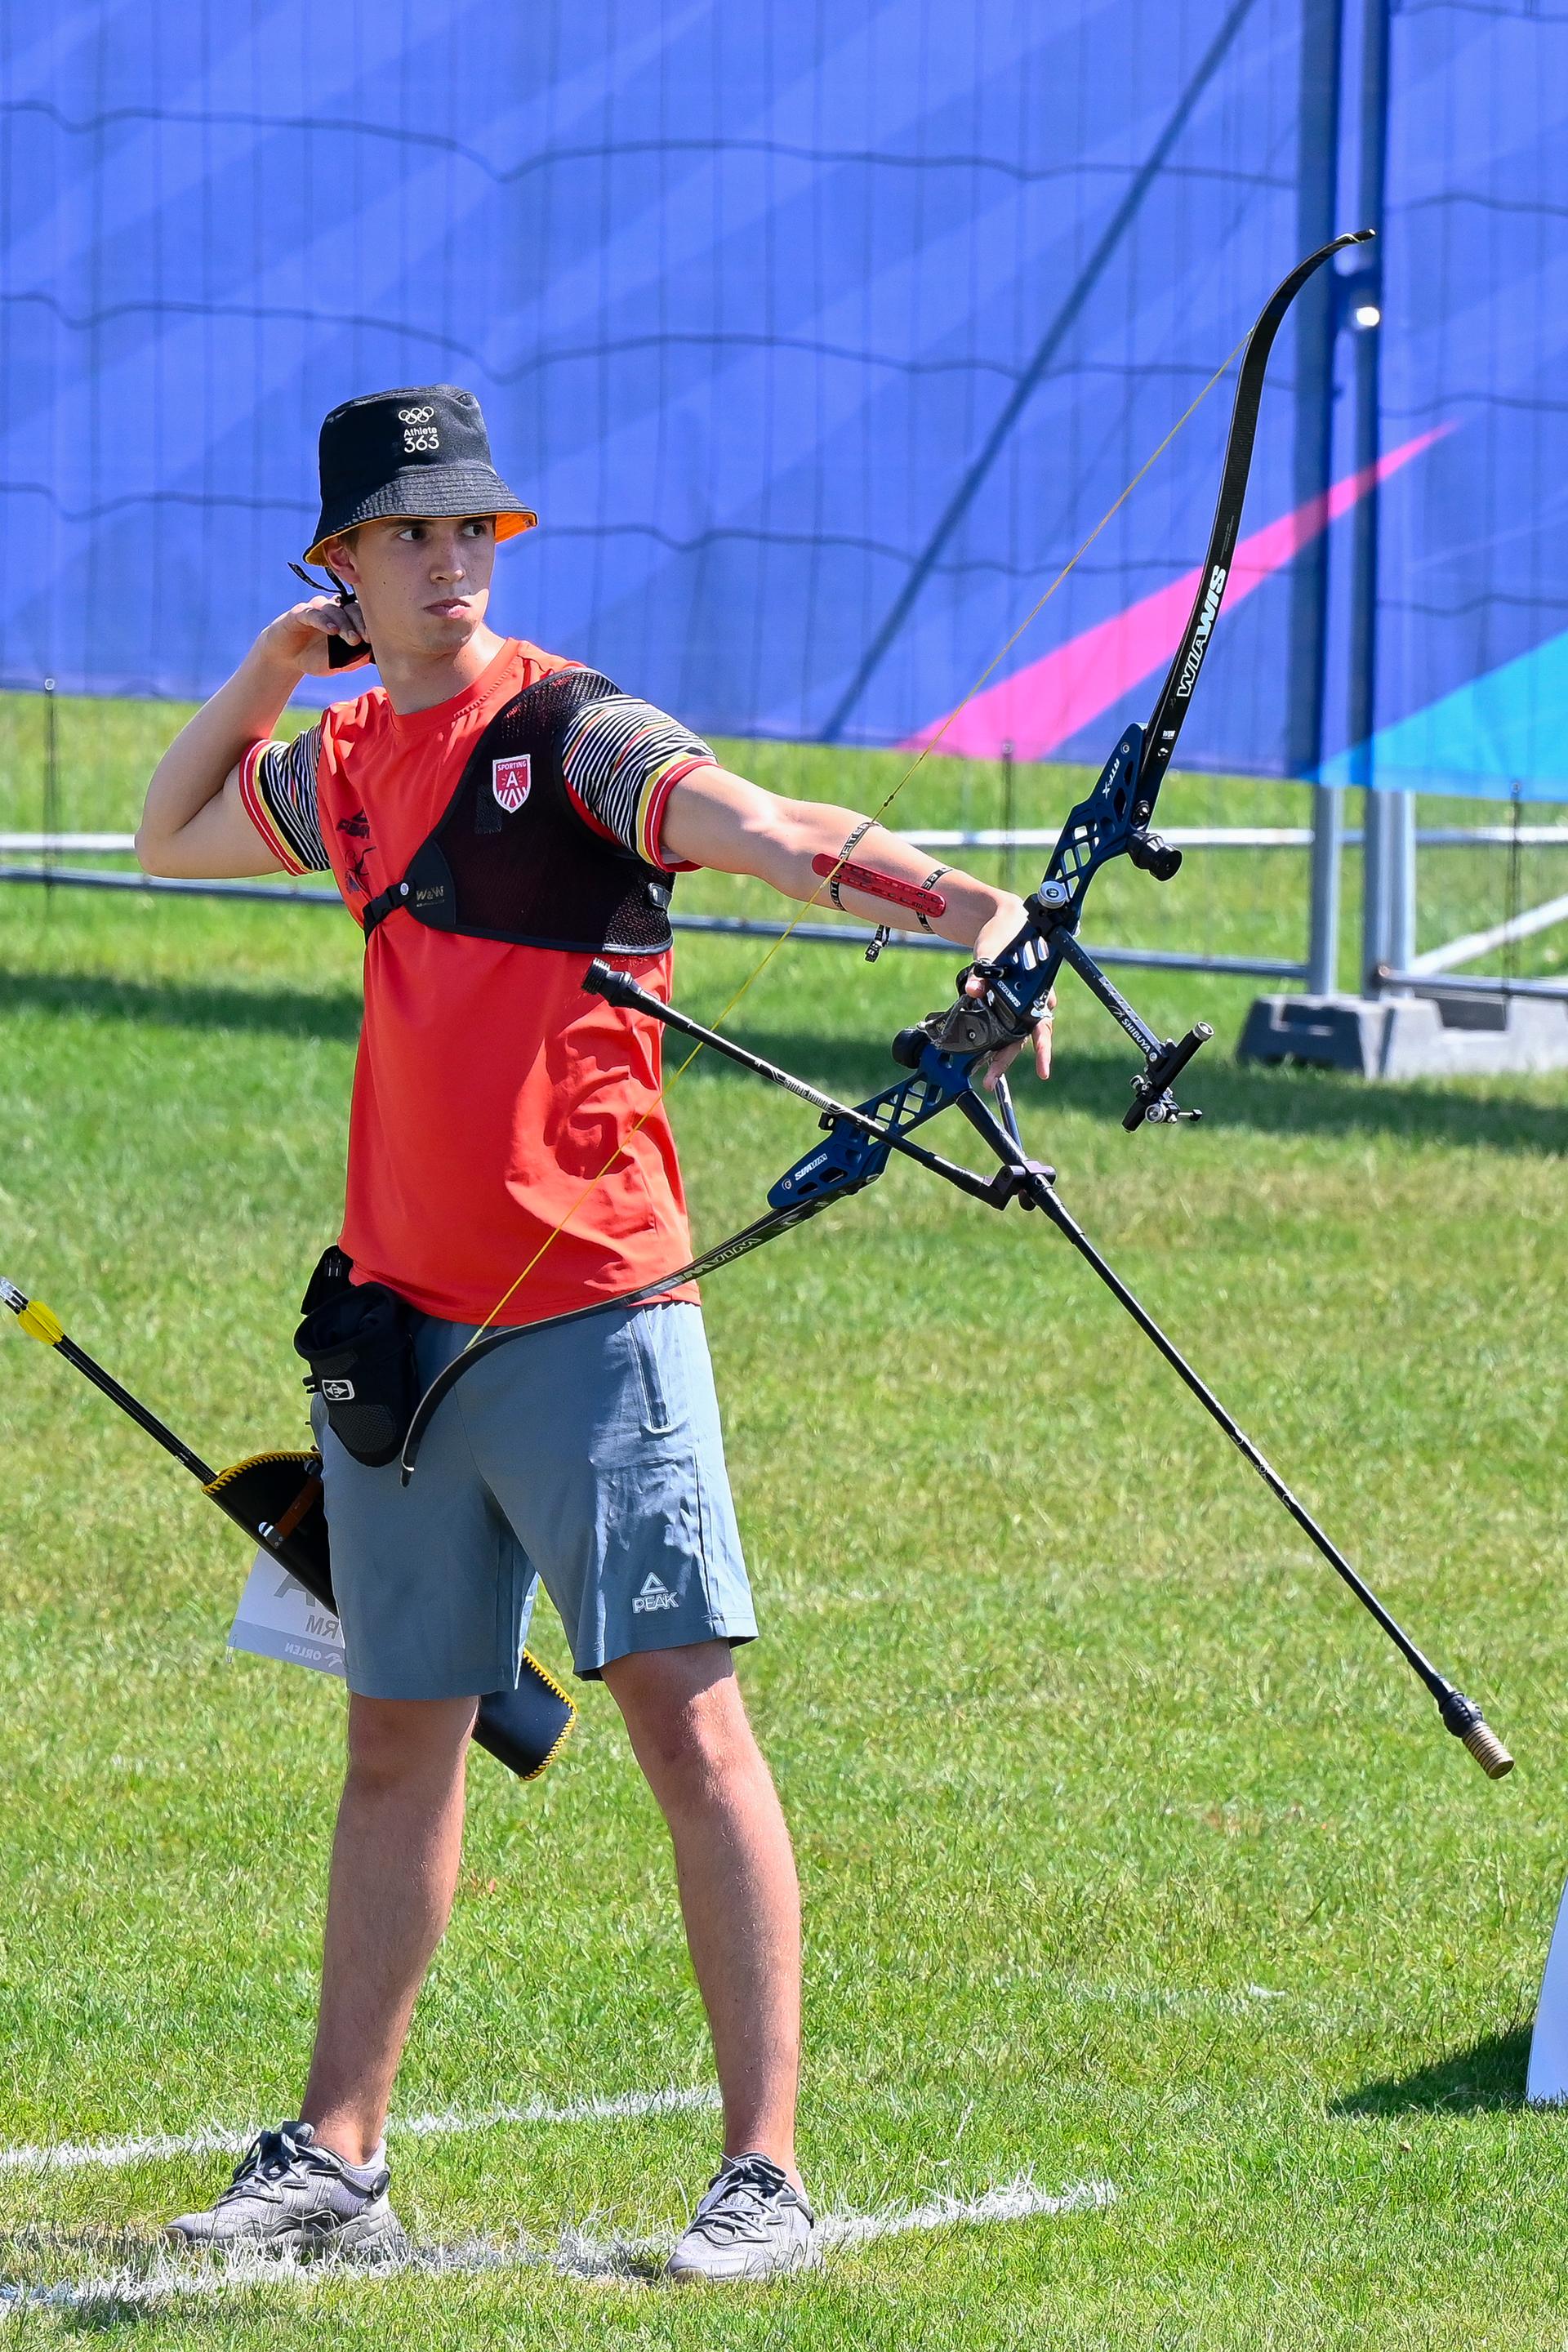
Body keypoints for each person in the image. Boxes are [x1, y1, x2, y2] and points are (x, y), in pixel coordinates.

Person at [135, 384, 1052, 2283]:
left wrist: (958, 902)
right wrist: (261, 674)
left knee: (683, 1722)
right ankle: (337, 2158)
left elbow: (761, 825)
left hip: (589, 1316)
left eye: (473, 530)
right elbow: (169, 838)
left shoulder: (572, 729)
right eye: (408, 536)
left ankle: (765, 2172)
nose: (452, 560)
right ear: (342, 572)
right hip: (400, 1339)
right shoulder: (356, 756)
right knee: (400, 1741)